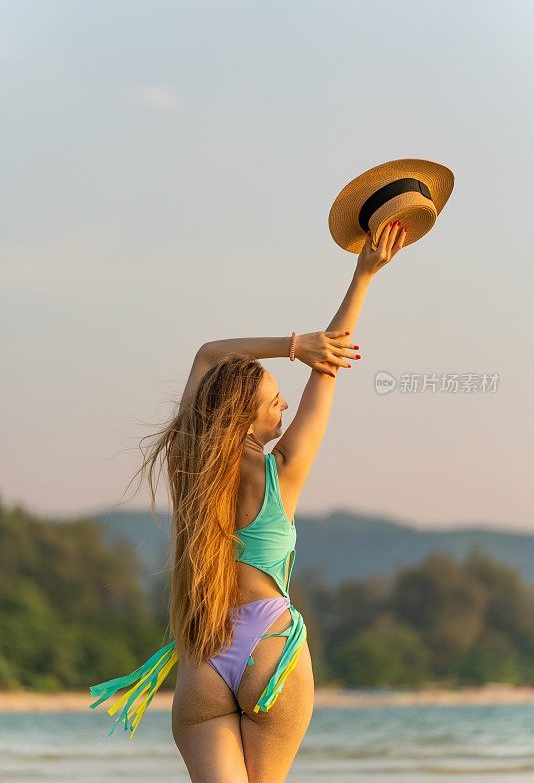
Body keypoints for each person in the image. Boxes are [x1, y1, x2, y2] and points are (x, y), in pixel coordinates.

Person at [89, 221, 408, 782]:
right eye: (276, 403)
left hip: (204, 653)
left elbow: (210, 353)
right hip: (271, 645)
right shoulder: (280, 473)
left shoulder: (187, 465)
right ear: (246, 415)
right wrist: (362, 278)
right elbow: (327, 376)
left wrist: (293, 346)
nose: (284, 411)